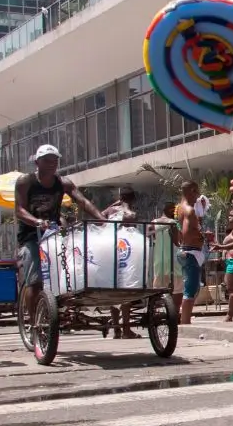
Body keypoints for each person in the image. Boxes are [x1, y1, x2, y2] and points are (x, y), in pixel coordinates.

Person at [14, 144, 103, 318]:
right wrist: (37, 221)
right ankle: (34, 323)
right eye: (47, 160)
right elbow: (19, 211)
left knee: (70, 268)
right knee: (36, 280)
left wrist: (100, 218)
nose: (52, 164)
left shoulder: (63, 183)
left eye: (55, 161)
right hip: (31, 236)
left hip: (54, 234)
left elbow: (83, 201)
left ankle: (61, 310)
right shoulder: (26, 181)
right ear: (37, 162)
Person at [102, 186, 140, 338]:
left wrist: (115, 204)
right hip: (125, 254)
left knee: (114, 289)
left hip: (110, 252)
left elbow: (101, 215)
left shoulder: (110, 211)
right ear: (133, 199)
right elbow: (131, 218)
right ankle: (126, 329)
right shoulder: (130, 212)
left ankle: (117, 329)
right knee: (125, 291)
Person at [176, 181, 206, 325]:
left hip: (185, 251)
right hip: (191, 252)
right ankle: (185, 322)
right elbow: (189, 232)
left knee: (191, 287)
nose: (198, 196)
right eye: (196, 192)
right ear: (191, 191)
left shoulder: (180, 208)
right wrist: (202, 236)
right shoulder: (190, 210)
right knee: (191, 289)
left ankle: (184, 320)